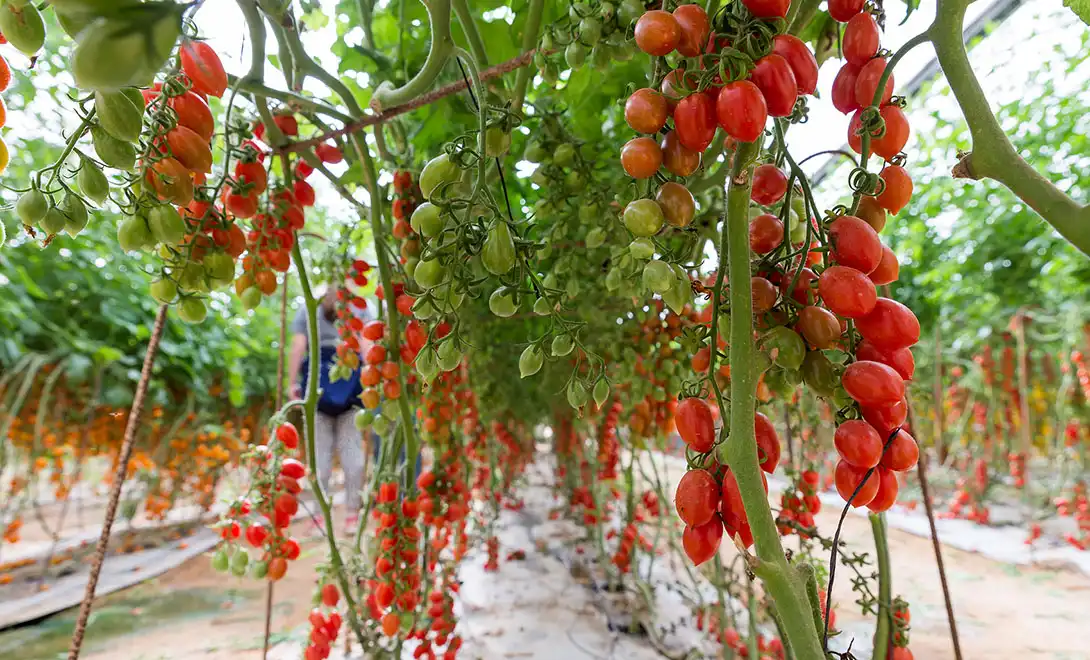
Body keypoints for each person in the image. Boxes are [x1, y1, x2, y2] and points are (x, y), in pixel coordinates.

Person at [288, 287, 367, 534]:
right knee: (351, 453)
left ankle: (320, 517)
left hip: (317, 388)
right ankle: (352, 515)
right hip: (352, 386)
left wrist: (292, 382)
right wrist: (373, 381)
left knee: (319, 458)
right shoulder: (361, 308)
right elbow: (366, 346)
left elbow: (299, 347)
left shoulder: (308, 309)